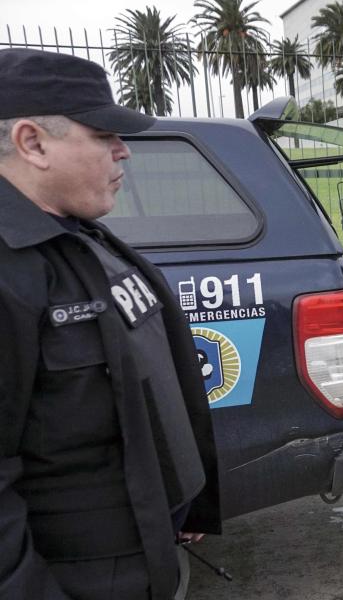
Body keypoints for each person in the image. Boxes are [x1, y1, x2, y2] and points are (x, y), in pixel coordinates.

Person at [0, 48, 220, 599]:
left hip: (149, 548)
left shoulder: (78, 236)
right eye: (103, 135)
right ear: (32, 142)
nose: (123, 150)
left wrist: (185, 496)